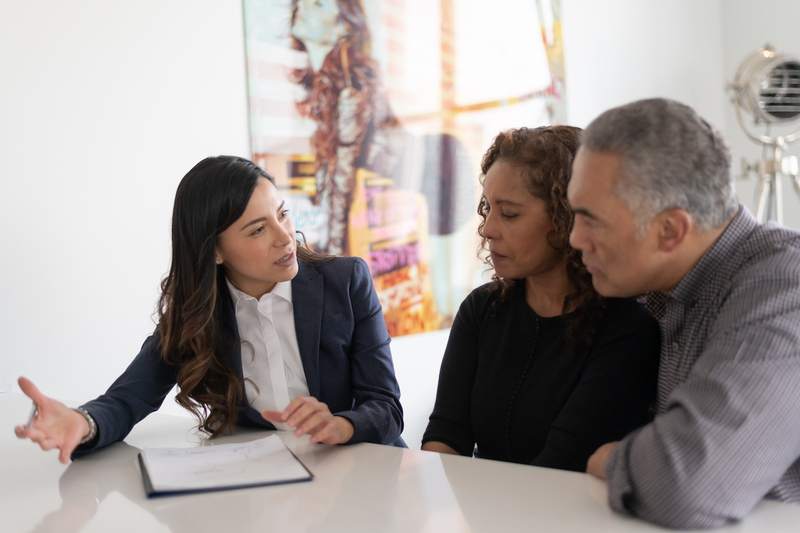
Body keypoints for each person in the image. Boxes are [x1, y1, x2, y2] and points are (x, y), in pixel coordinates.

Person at [14, 155, 404, 464]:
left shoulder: (345, 281)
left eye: (282, 213)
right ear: (215, 251)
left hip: (363, 469)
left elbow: (385, 406)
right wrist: (82, 424)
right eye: (257, 229)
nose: (284, 236)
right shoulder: (196, 314)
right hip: (265, 486)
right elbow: (126, 399)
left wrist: (341, 425)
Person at [569, 98, 800, 529]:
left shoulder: (786, 286)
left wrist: (614, 457)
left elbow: (686, 482)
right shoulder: (671, 293)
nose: (575, 239)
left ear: (670, 230)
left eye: (590, 220)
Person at [421, 126, 660, 471]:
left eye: (510, 213)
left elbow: (562, 462)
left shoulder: (625, 326)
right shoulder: (481, 310)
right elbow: (445, 434)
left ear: (567, 218)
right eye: (487, 208)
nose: (488, 228)